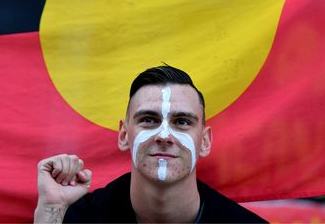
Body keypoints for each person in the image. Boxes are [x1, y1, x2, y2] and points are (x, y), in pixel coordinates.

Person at [34, 65, 268, 223]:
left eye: (182, 122)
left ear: (204, 141)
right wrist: (51, 208)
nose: (164, 135)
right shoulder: (81, 217)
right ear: (124, 135)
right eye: (148, 120)